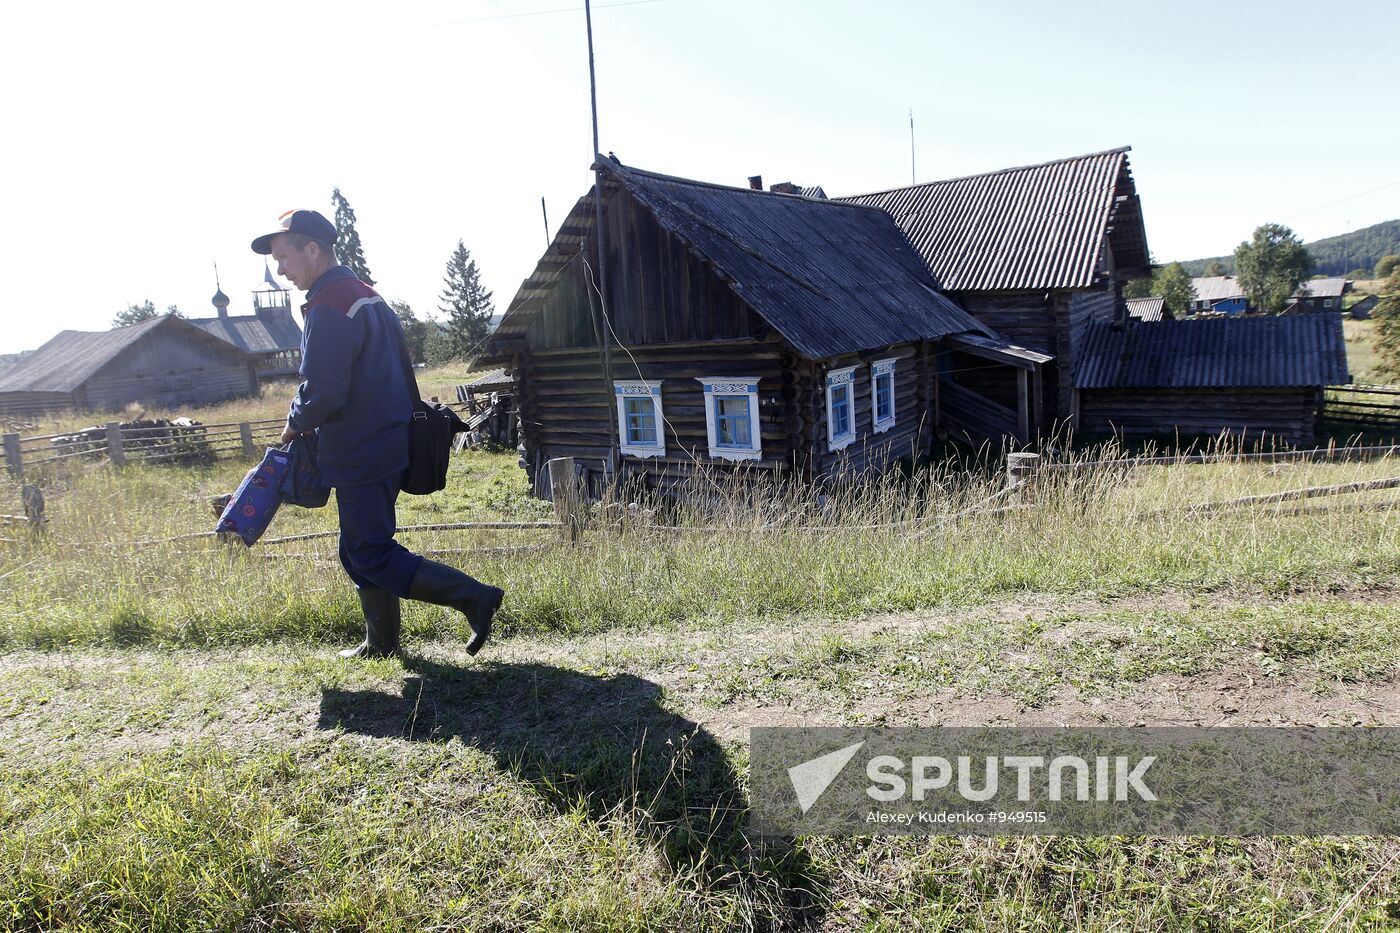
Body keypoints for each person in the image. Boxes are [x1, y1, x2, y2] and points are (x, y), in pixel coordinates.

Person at [251, 209, 503, 659]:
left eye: (283, 257)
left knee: (367, 550)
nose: (280, 270)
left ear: (313, 249)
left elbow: (323, 390)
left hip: (359, 446)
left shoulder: (329, 306)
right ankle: (382, 642)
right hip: (385, 440)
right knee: (358, 549)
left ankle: (475, 598)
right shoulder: (367, 296)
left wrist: (292, 424)